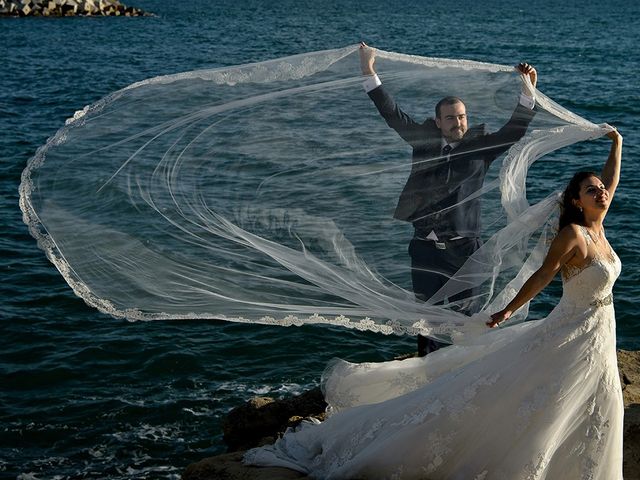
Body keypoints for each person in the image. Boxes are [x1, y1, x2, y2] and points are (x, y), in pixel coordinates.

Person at [244, 129, 623, 479]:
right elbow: (542, 276)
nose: (601, 192)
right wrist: (508, 311)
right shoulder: (574, 235)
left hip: (600, 327)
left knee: (599, 396)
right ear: (576, 200)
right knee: (545, 396)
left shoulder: (599, 227)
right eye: (591, 190)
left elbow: (612, 179)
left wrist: (616, 141)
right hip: (571, 328)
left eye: (601, 189)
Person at [359, 43, 538, 355]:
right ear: (438, 121)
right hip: (424, 249)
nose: (459, 123)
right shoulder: (423, 142)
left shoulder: (481, 148)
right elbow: (392, 114)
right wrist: (369, 72)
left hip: (466, 250)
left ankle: (463, 373)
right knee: (425, 317)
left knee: (466, 318)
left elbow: (514, 131)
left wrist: (528, 91)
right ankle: (426, 371)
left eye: (463, 117)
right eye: (452, 118)